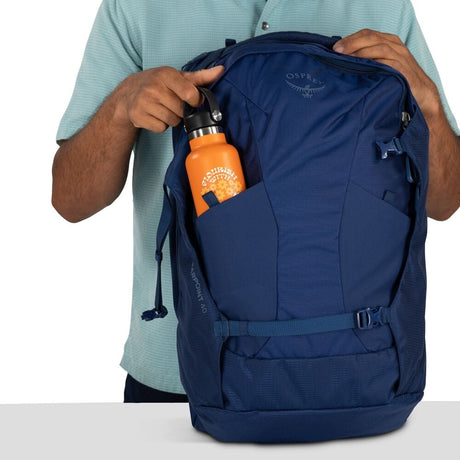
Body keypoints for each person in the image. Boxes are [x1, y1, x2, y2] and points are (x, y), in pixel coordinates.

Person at [52, 0, 460, 403]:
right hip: (179, 377)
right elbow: (71, 201)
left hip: (361, 376)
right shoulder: (135, 7)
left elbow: (444, 203)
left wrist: (428, 105)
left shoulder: (384, 8)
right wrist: (121, 109)